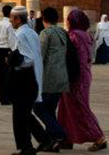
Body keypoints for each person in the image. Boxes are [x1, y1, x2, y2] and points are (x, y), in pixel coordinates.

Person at [58, 10, 108, 151]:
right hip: (83, 75)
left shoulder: (74, 36)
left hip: (75, 77)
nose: (67, 23)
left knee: (79, 107)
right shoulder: (86, 35)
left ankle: (98, 137)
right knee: (66, 108)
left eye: (68, 20)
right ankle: (67, 137)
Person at [9, 6, 55, 155]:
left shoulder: (20, 35)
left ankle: (26, 147)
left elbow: (27, 59)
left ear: (18, 18)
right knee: (25, 113)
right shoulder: (33, 33)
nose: (10, 21)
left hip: (23, 78)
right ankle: (45, 139)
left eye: (12, 18)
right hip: (31, 78)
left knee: (20, 115)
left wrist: (11, 60)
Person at [35, 7, 69, 145]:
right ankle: (51, 141)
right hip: (62, 75)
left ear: (44, 18)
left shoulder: (46, 33)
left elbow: (40, 56)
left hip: (49, 77)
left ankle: (61, 134)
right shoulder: (62, 32)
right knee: (49, 109)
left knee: (38, 108)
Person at [0, 5, 17, 106]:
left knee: (2, 75)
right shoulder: (9, 25)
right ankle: (7, 97)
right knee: (9, 74)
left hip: (0, 50)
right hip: (8, 50)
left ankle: (2, 98)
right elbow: (12, 40)